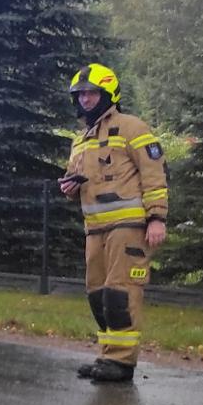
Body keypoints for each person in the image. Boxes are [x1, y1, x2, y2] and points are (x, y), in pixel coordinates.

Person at [60, 63, 169, 383]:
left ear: (108, 94)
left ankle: (122, 362)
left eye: (92, 93)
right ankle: (108, 355)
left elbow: (155, 174)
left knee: (121, 293)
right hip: (94, 228)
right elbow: (73, 181)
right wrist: (69, 187)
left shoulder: (133, 128)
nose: (86, 100)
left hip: (129, 226)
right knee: (98, 294)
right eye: (80, 95)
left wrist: (157, 218)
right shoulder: (80, 140)